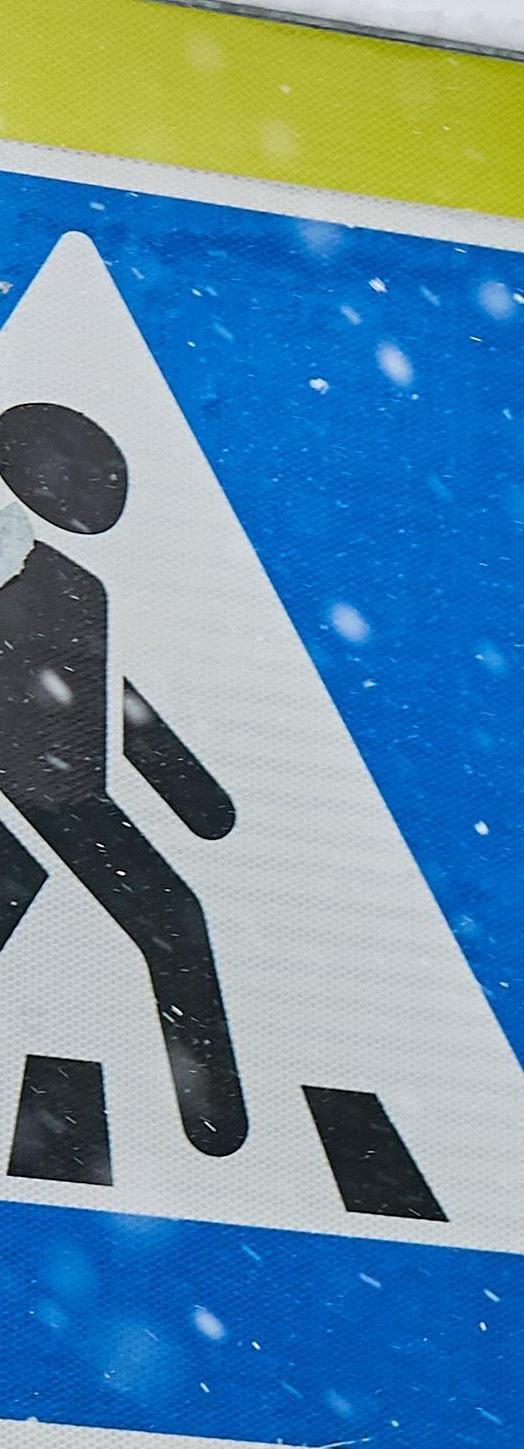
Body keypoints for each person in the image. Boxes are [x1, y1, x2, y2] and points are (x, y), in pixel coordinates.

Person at [0, 398, 246, 1157]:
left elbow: (105, 693)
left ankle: (217, 1130)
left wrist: (194, 795)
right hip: (46, 794)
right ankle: (215, 1128)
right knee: (156, 915)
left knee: (172, 918)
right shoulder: (60, 586)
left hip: (60, 791)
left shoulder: (68, 584)